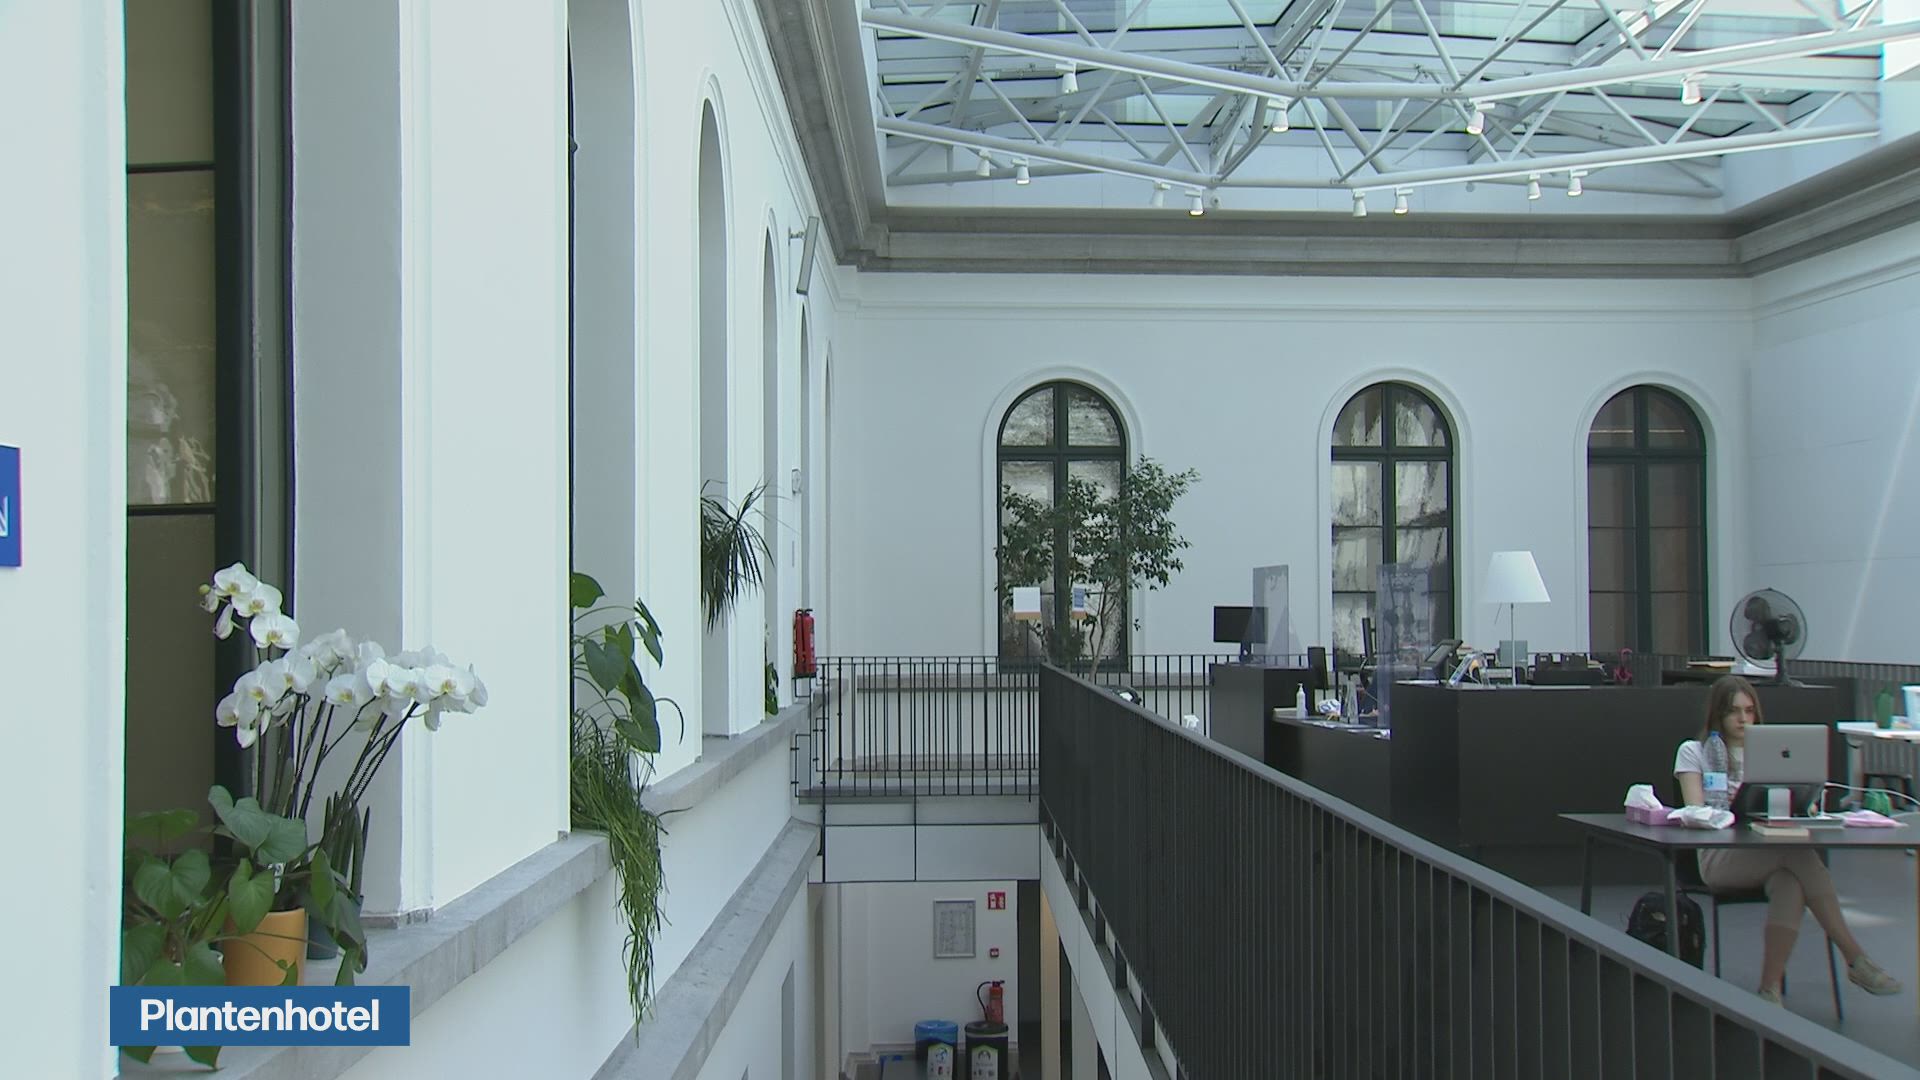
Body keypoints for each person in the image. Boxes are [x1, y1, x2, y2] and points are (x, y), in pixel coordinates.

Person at [1674, 675, 1902, 1003]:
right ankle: (1855, 958)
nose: (1742, 719)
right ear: (1717, 714)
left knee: (1790, 883)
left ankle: (1769, 990)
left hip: (1767, 848)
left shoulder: (1770, 750)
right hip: (1718, 855)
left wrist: (1803, 801)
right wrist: (1731, 802)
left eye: (1749, 711)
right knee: (1798, 854)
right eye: (1733, 711)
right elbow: (1696, 812)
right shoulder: (1694, 751)